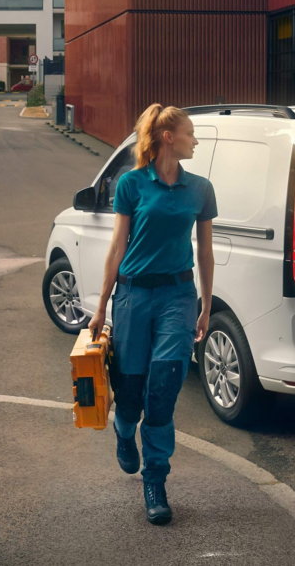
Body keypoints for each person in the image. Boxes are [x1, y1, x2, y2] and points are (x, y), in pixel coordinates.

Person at [88, 104, 217, 525]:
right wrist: (102, 304)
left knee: (162, 392)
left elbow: (206, 251)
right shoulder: (131, 184)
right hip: (133, 298)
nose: (195, 140)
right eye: (190, 133)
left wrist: (206, 303)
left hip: (178, 295)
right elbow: (117, 248)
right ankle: (124, 432)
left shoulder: (200, 188)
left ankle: (155, 482)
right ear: (167, 137)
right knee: (130, 392)